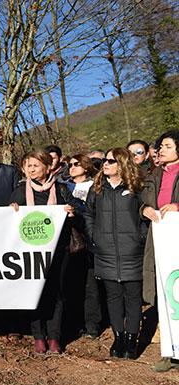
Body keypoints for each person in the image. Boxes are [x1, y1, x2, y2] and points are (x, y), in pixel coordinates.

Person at [10, 149, 74, 354]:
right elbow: (8, 222)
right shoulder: (20, 191)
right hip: (29, 253)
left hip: (58, 250)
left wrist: (71, 211)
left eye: (35, 165)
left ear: (47, 167)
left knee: (57, 293)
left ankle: (54, 337)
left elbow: (79, 210)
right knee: (34, 292)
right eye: (28, 166)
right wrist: (11, 211)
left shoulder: (62, 190)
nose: (31, 169)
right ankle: (38, 336)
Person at [82, 148, 145, 359]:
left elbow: (145, 213)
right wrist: (94, 236)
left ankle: (131, 339)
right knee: (113, 296)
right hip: (105, 251)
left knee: (133, 298)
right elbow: (88, 214)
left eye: (110, 160)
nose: (105, 164)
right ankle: (118, 337)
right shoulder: (97, 188)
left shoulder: (136, 187)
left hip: (132, 252)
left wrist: (140, 238)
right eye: (105, 160)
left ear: (122, 164)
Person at [140, 130, 179, 372]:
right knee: (165, 293)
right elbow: (141, 201)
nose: (160, 150)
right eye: (159, 146)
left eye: (166, 146)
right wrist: (144, 208)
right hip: (160, 240)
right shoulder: (153, 175)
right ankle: (170, 351)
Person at [64, 154, 102, 339]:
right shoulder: (64, 186)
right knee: (72, 285)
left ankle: (92, 324)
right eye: (70, 164)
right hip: (70, 241)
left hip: (89, 240)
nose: (71, 167)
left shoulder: (96, 186)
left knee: (90, 286)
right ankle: (75, 323)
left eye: (76, 164)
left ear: (86, 167)